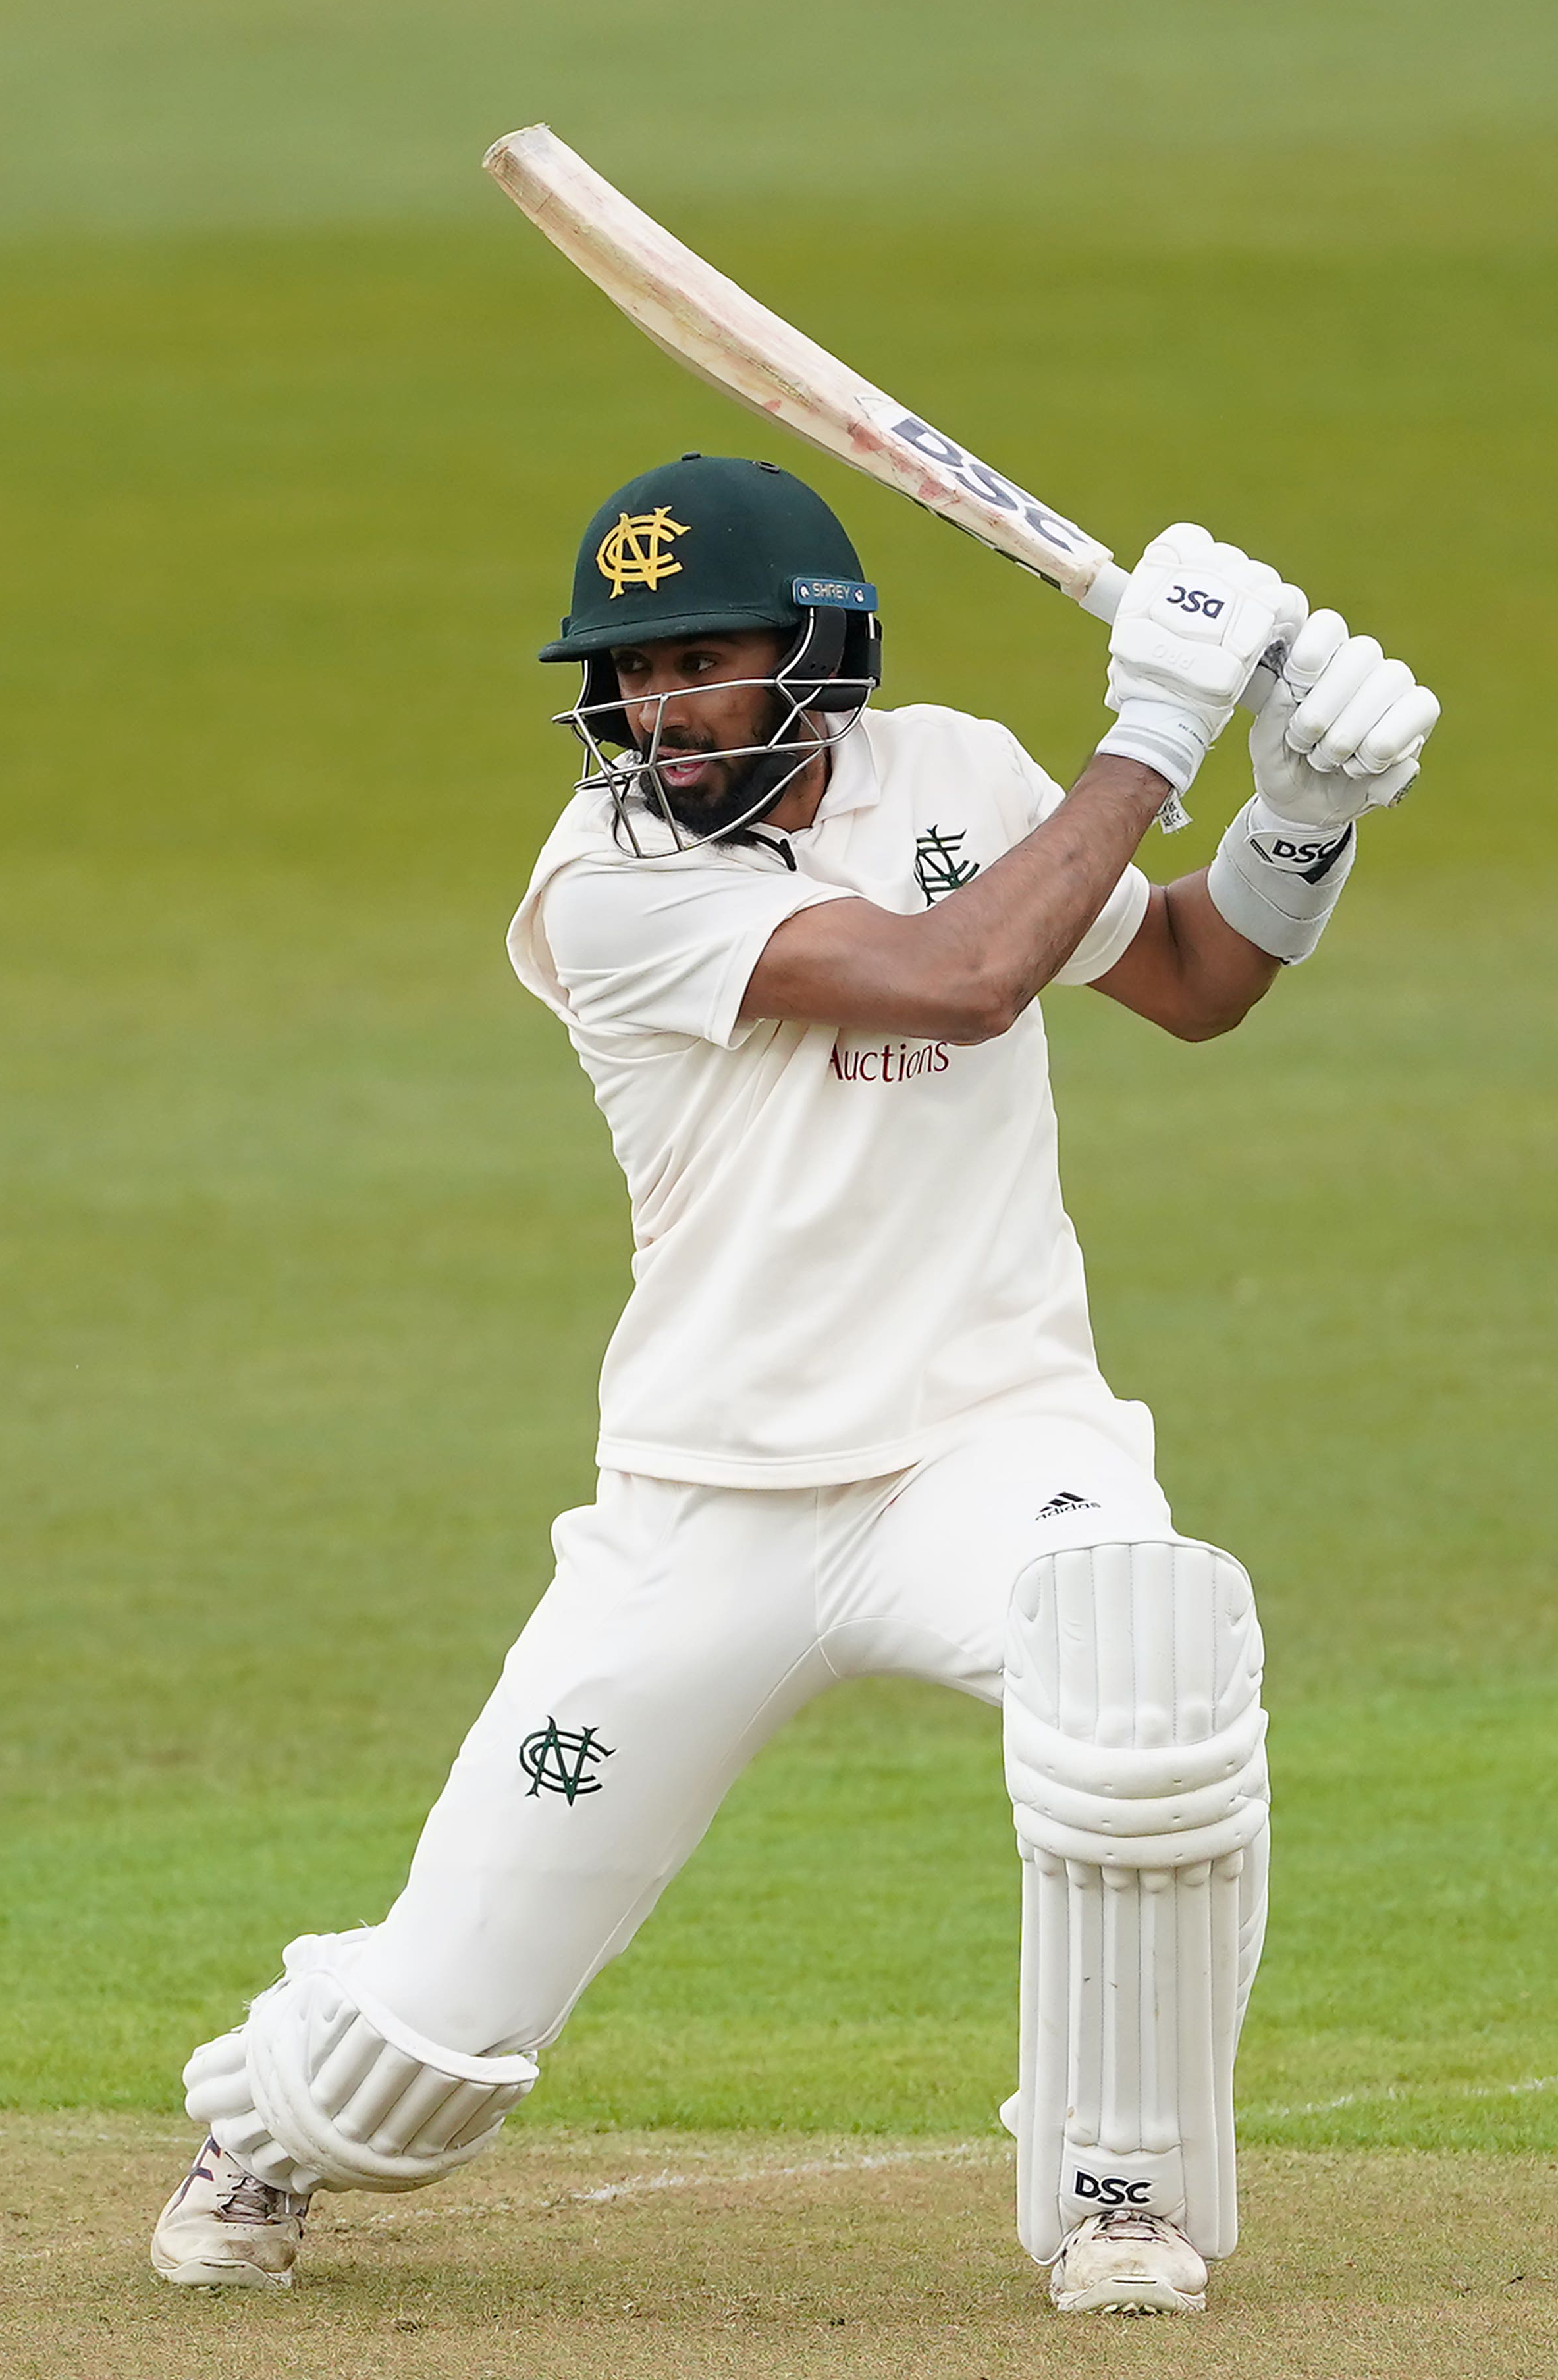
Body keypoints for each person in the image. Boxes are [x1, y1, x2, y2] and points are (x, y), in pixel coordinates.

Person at [149, 454, 1438, 2314]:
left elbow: (1187, 973)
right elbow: (961, 976)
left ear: (817, 657)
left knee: (1143, 1665)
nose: (658, 710)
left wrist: (1299, 811)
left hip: (990, 1443)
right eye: (626, 673)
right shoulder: (604, 886)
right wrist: (1160, 726)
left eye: (702, 659)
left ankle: (1120, 2193)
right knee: (412, 2061)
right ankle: (268, 2130)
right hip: (708, 1508)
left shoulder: (964, 774)